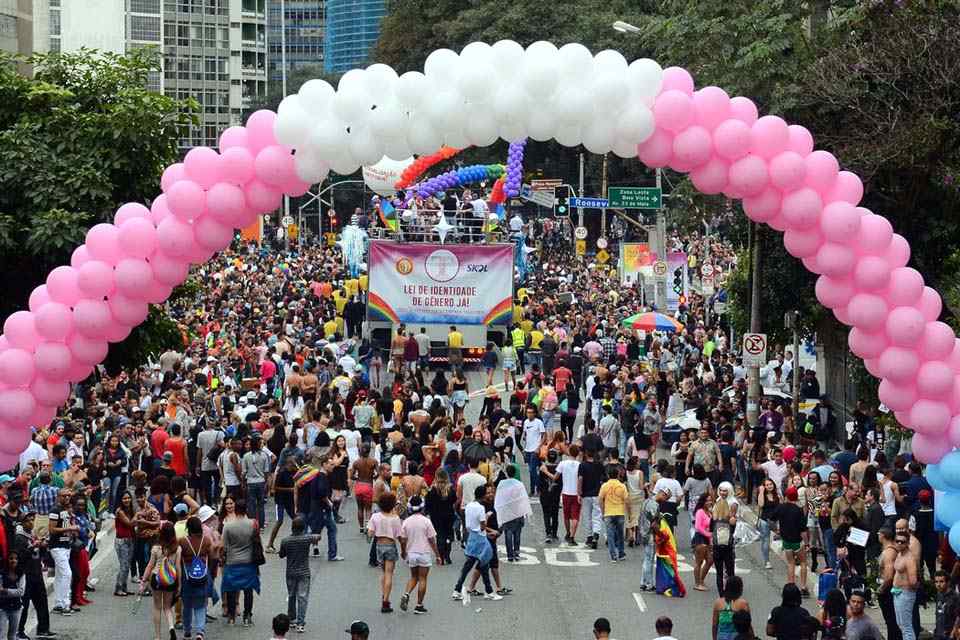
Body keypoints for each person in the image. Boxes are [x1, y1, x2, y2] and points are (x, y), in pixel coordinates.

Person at [452, 485, 501, 603]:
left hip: (471, 536)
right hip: (480, 538)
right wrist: (487, 517)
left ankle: (459, 589)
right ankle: (488, 591)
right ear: (483, 495)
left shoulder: (469, 505)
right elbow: (483, 525)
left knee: (472, 565)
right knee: (484, 561)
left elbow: (468, 524)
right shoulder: (480, 508)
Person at [220, 501, 260, 627]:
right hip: (249, 562)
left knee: (231, 589)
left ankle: (231, 617)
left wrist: (222, 558)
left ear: (236, 509)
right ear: (246, 509)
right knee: (248, 590)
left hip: (232, 562)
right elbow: (256, 541)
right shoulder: (253, 524)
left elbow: (223, 546)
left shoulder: (228, 526)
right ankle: (247, 616)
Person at [398, 495, 440, 614]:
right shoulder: (426, 521)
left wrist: (403, 552)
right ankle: (419, 605)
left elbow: (403, 540)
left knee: (413, 577)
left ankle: (406, 594)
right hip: (424, 553)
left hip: (411, 554)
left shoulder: (406, 522)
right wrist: (437, 555)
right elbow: (432, 540)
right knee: (423, 579)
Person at [140, 521, 181, 640]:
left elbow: (150, 566)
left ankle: (158, 637)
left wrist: (144, 580)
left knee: (157, 607)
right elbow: (178, 567)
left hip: (156, 579)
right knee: (167, 608)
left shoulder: (156, 548)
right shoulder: (177, 548)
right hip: (170, 580)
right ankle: (171, 627)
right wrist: (179, 584)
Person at [278, 517, 320, 634]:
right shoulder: (307, 538)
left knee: (291, 595)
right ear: (303, 528)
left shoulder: (286, 540)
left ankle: (291, 618)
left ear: (292, 527)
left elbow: (281, 555)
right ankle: (300, 623)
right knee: (302, 598)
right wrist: (315, 537)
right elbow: (317, 536)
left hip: (290, 572)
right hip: (304, 572)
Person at [367, 492, 402, 613]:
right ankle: (386, 601)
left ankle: (384, 594)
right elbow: (399, 536)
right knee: (389, 573)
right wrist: (404, 548)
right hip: (390, 545)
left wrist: (369, 536)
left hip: (379, 546)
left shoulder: (375, 517)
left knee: (383, 572)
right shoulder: (395, 518)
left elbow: (370, 533)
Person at [179, 515, 212, 640]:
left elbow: (178, 558)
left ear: (188, 528)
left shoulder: (183, 541)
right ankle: (200, 632)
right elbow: (213, 556)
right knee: (200, 605)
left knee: (186, 605)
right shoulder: (206, 540)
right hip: (202, 575)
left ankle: (187, 631)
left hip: (187, 576)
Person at [771, 486, 809, 593]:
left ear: (786, 496)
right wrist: (807, 544)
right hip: (797, 541)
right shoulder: (799, 510)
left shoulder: (781, 507)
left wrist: (778, 530)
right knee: (803, 563)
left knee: (791, 563)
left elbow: (772, 518)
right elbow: (803, 530)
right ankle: (803, 586)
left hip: (786, 541)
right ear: (796, 496)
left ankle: (791, 585)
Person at [493, 465, 532, 562]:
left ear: (506, 473)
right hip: (518, 511)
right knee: (517, 533)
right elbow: (523, 498)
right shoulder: (519, 484)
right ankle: (517, 552)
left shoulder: (502, 484)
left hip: (507, 512)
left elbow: (499, 498)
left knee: (508, 533)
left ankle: (510, 554)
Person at [892, 528, 919, 640]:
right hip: (897, 593)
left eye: (902, 542)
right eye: (897, 541)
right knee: (901, 624)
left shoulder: (909, 558)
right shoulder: (899, 554)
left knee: (906, 626)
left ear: (908, 543)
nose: (899, 543)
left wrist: (905, 588)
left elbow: (913, 581)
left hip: (905, 594)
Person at [712, 483, 738, 594]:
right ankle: (731, 592)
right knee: (730, 571)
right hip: (728, 546)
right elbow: (733, 529)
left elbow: (710, 529)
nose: (722, 493)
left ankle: (721, 594)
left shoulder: (732, 503)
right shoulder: (731, 520)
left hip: (717, 546)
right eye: (721, 490)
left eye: (725, 490)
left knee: (719, 572)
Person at [599, 465, 628, 562]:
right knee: (620, 534)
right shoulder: (622, 486)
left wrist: (603, 512)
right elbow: (626, 500)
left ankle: (613, 556)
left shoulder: (604, 486)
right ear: (618, 475)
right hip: (620, 512)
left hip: (608, 513)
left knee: (610, 535)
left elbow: (600, 499)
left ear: (608, 475)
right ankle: (621, 553)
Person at [712, 575, 749, 640]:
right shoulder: (743, 604)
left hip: (722, 636)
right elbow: (747, 625)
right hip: (737, 636)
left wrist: (714, 638)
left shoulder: (718, 603)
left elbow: (715, 624)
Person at [692, 493, 715, 591]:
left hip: (707, 539)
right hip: (700, 539)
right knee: (699, 562)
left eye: (710, 500)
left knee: (710, 560)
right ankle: (697, 583)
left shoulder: (710, 512)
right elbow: (698, 527)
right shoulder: (700, 512)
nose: (709, 502)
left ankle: (701, 580)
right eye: (707, 500)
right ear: (703, 502)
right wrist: (709, 534)